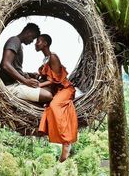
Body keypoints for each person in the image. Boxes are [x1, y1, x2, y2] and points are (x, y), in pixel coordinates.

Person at [35, 34, 78, 163]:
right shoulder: (46, 58)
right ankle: (59, 139)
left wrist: (38, 85)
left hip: (65, 89)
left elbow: (54, 80)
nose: (35, 44)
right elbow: (46, 77)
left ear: (45, 44)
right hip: (57, 91)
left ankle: (66, 142)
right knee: (47, 108)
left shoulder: (53, 57)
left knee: (54, 106)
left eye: (38, 41)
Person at [0, 23, 53, 103]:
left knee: (49, 89)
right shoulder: (14, 40)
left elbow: (14, 67)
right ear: (28, 32)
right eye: (32, 38)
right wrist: (25, 81)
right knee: (48, 96)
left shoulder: (18, 43)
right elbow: (5, 65)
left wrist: (28, 74)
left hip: (16, 83)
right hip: (9, 86)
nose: (32, 42)